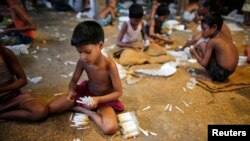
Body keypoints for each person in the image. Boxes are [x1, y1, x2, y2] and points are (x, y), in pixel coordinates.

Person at [48, 20, 124, 135]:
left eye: (87, 52)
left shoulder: (109, 65)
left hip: (104, 99)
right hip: (86, 95)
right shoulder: (82, 62)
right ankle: (83, 107)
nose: (83, 56)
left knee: (110, 128)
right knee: (52, 108)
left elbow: (118, 92)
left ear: (101, 45)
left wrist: (98, 99)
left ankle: (91, 113)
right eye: (80, 52)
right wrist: (71, 91)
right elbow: (74, 81)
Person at [0, 46, 48, 121]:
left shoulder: (4, 52)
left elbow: (22, 80)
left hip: (10, 96)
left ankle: (2, 115)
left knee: (40, 112)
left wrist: (2, 89)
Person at [190, 13, 239, 82]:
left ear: (214, 28)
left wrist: (194, 52)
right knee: (204, 45)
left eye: (204, 29)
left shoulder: (213, 41)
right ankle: (213, 73)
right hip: (230, 71)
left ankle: (209, 75)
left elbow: (204, 63)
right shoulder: (223, 36)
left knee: (202, 45)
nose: (202, 32)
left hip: (221, 74)